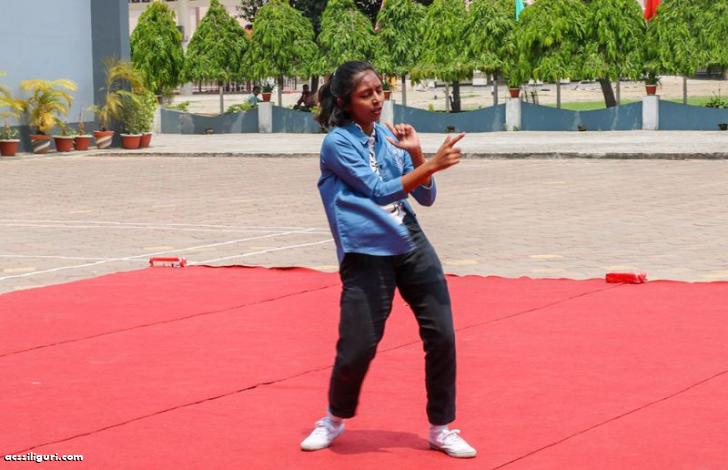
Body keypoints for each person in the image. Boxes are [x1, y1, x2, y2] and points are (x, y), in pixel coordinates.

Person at [300, 61, 477, 459]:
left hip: (408, 240)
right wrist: (431, 164)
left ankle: (441, 428)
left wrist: (416, 155)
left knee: (442, 335)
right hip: (366, 250)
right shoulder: (337, 144)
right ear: (345, 102)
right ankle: (334, 418)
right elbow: (379, 191)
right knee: (358, 347)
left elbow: (425, 197)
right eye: (366, 95)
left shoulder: (386, 135)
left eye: (380, 90)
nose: (378, 99)